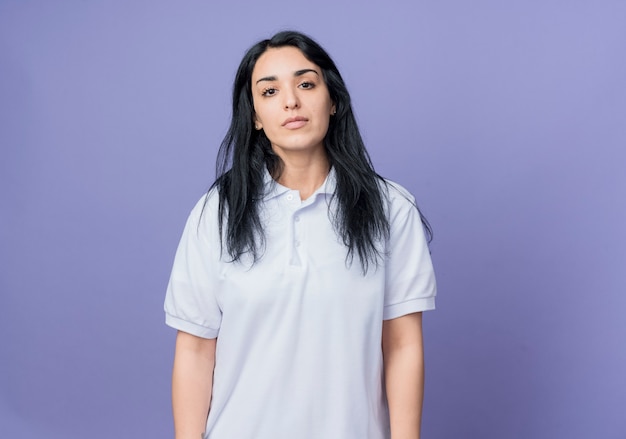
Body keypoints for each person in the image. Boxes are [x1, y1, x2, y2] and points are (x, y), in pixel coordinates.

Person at [164, 30, 437, 439]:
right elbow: (196, 350)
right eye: (269, 92)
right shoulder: (217, 213)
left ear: (333, 100)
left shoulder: (391, 208)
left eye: (306, 84)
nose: (291, 100)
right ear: (255, 116)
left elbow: (401, 346)